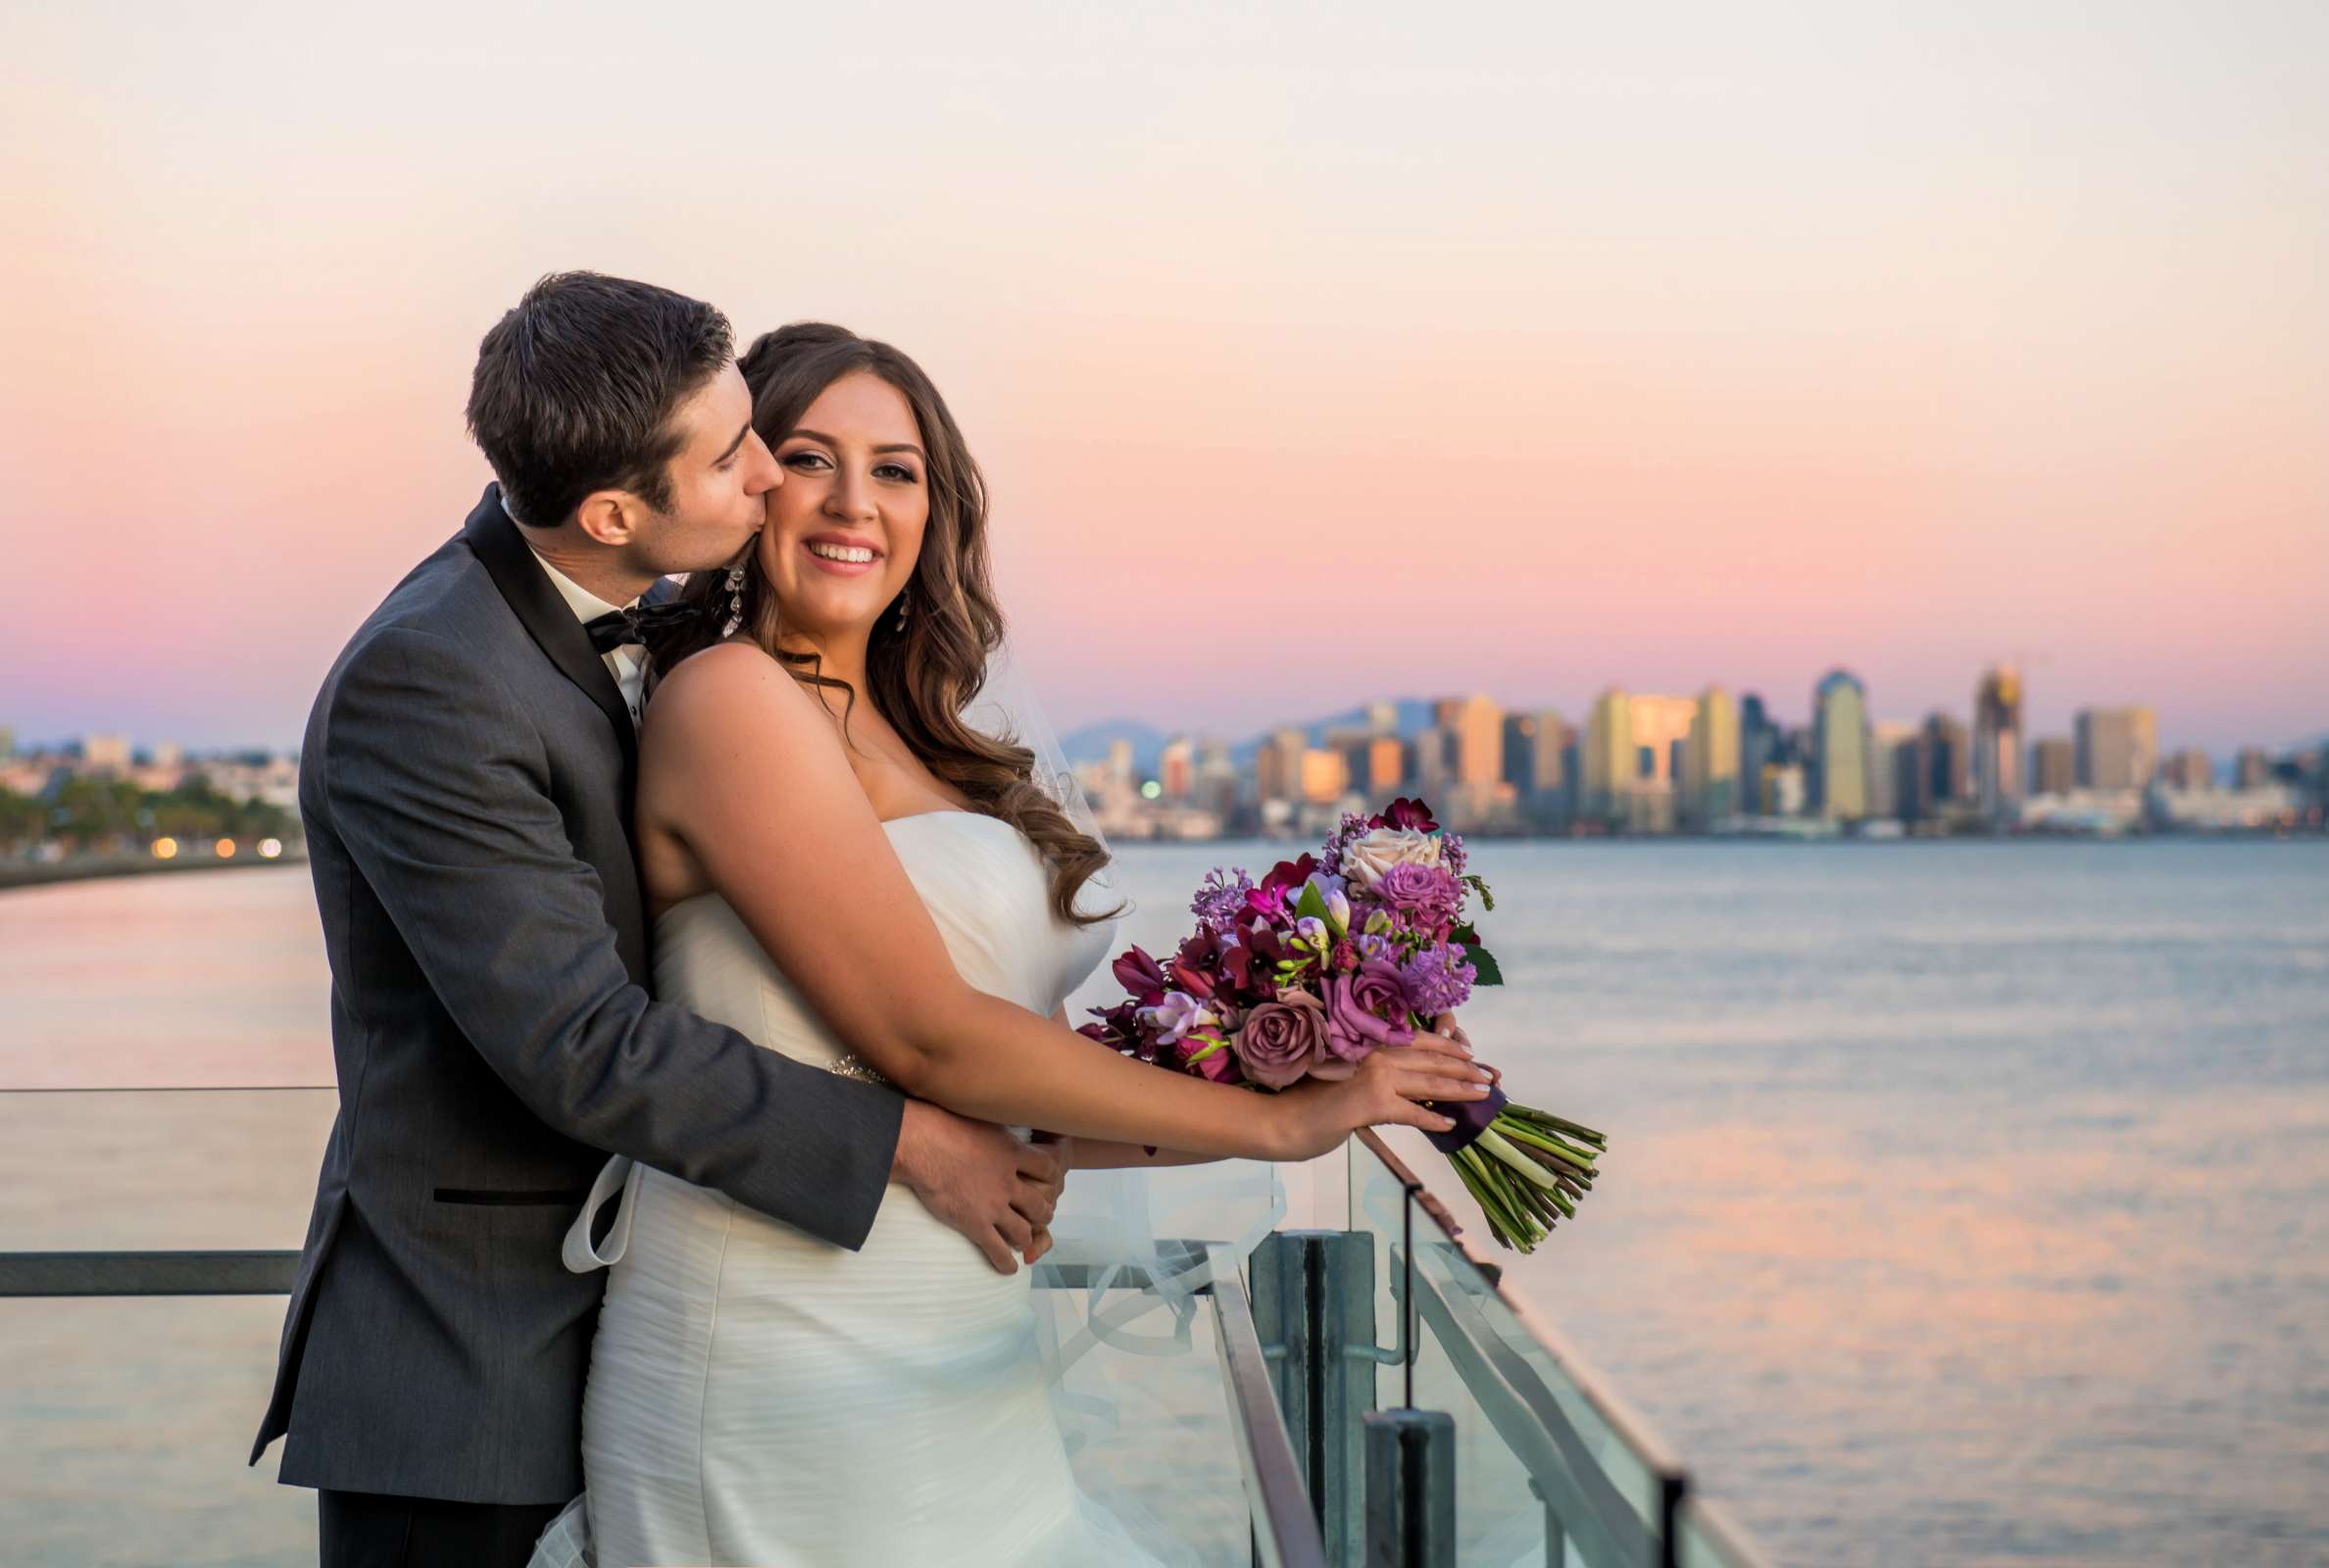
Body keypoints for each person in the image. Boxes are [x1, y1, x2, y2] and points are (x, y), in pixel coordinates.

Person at [524, 321, 1491, 1566]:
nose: (852, 502)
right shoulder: (729, 699)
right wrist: (1278, 1129)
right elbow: (928, 1037)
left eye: (897, 469)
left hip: (966, 1348)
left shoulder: (939, 749)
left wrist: (1304, 1067)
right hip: (785, 1357)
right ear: (750, 480)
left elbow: (1014, 1103)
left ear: (937, 508)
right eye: (810, 457)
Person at [251, 273, 1080, 1567]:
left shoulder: (595, 636)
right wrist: (911, 1139)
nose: (770, 479)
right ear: (615, 510)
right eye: (741, 453)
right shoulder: (431, 674)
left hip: (685, 1326)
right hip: (478, 1364)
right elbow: (585, 1043)